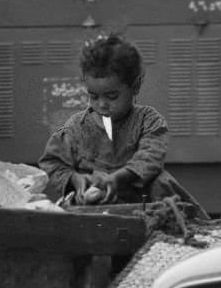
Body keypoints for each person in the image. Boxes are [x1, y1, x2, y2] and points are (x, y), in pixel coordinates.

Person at [38, 34, 200, 207]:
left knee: (161, 181)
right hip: (95, 208)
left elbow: (150, 157)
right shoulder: (76, 127)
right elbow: (52, 162)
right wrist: (75, 179)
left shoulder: (148, 121)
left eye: (112, 96)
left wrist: (118, 179)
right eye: (93, 96)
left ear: (135, 87)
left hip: (144, 203)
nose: (101, 105)